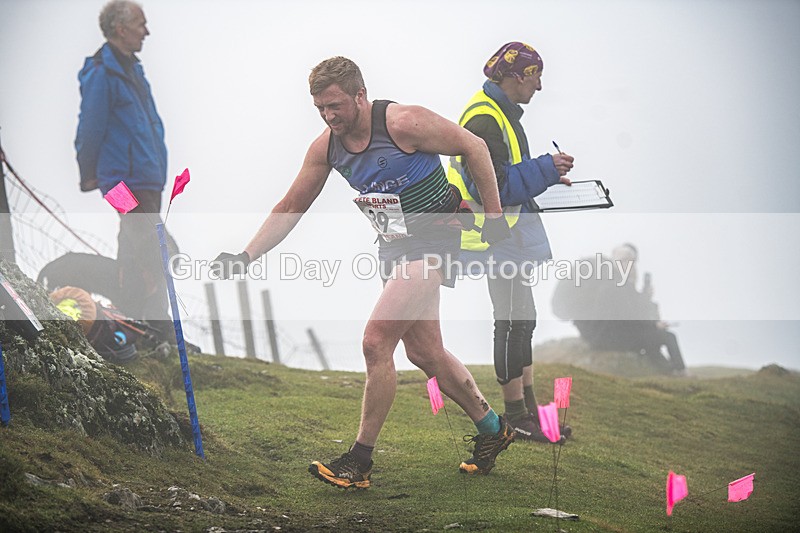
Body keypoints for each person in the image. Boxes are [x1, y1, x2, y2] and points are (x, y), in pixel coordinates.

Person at [214, 56, 515, 489]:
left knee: (376, 341)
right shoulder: (327, 147)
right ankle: (493, 429)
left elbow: (475, 147)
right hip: (393, 244)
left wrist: (495, 216)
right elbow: (290, 205)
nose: (329, 116)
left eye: (335, 105)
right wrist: (245, 256)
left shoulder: (404, 122)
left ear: (360, 95)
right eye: (320, 108)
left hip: (435, 239)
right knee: (425, 353)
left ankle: (359, 461)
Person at [447, 42, 575, 443]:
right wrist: (546, 170)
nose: (539, 87)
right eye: (536, 77)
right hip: (493, 236)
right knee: (510, 320)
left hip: (508, 234)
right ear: (518, 76)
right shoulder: (485, 118)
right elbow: (496, 188)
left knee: (524, 320)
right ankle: (516, 416)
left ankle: (532, 414)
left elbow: (506, 173)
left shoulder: (500, 111)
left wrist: (548, 178)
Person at [75, 1, 175, 343]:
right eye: (140, 23)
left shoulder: (133, 69)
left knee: (135, 250)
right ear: (121, 28)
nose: (146, 31)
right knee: (161, 248)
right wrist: (91, 175)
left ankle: (143, 329)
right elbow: (89, 127)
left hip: (148, 179)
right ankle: (155, 327)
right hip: (121, 183)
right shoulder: (102, 72)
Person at [572, 243, 686, 374]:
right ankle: (681, 370)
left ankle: (668, 371)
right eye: (626, 261)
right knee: (668, 337)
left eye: (632, 261)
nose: (631, 265)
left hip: (611, 335)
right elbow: (629, 316)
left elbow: (631, 311)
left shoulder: (616, 282)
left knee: (652, 341)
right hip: (613, 338)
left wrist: (645, 296)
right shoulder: (616, 285)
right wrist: (654, 325)